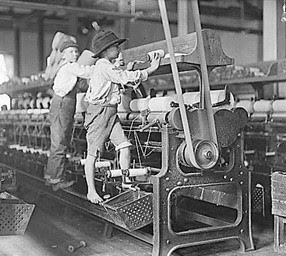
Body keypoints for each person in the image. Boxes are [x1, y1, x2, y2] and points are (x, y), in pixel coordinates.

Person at [84, 30, 161, 204]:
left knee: (124, 145)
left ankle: (125, 181)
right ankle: (91, 191)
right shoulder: (104, 65)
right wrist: (150, 69)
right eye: (115, 47)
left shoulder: (107, 66)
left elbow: (122, 76)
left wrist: (130, 68)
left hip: (110, 112)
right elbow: (124, 77)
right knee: (93, 153)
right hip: (99, 112)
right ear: (105, 51)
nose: (119, 50)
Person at [44, 40, 94, 191]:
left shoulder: (67, 68)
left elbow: (81, 84)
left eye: (76, 51)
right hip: (63, 104)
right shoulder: (70, 67)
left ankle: (50, 176)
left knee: (58, 143)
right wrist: (104, 67)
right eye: (71, 51)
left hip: (63, 104)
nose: (75, 54)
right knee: (60, 143)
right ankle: (57, 181)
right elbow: (87, 72)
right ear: (64, 55)